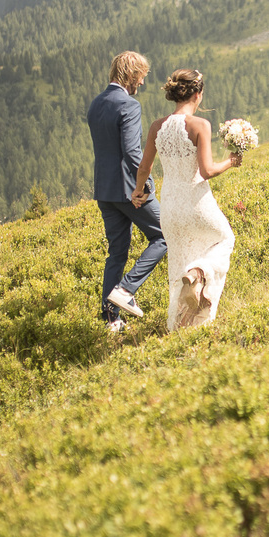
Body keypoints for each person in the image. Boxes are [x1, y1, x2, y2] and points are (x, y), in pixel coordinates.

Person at [131, 69, 241, 329]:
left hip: (169, 208)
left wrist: (138, 191)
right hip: (195, 203)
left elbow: (144, 168)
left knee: (178, 262)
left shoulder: (158, 126)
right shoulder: (200, 125)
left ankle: (179, 326)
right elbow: (207, 171)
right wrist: (231, 161)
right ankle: (200, 273)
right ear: (198, 94)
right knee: (225, 238)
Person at [88, 51, 167, 332]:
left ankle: (111, 319)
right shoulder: (129, 105)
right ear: (131, 75)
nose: (142, 83)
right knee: (164, 234)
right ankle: (125, 290)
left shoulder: (96, 104)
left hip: (104, 190)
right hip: (127, 190)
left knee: (117, 252)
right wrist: (143, 187)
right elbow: (134, 153)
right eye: (141, 76)